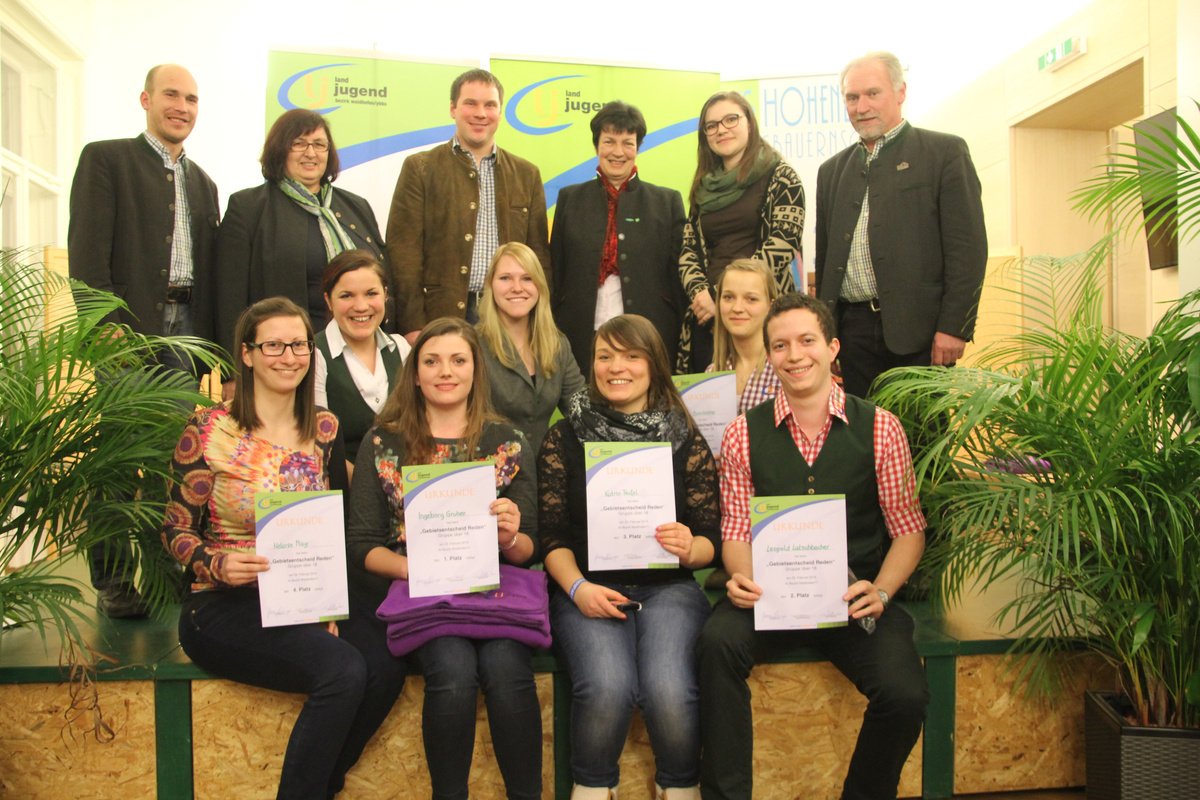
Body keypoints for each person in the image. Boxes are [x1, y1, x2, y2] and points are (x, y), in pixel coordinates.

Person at [163, 297, 404, 800]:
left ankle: (320, 787)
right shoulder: (208, 430)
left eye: (298, 345)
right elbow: (175, 530)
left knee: (386, 664)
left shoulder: (324, 428)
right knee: (342, 670)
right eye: (273, 345)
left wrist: (325, 604)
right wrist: (217, 563)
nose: (289, 357)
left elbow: (331, 522)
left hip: (306, 595)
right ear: (247, 353)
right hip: (223, 602)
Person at [697, 293, 929, 800]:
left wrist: (882, 592)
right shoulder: (741, 434)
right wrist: (742, 577)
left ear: (832, 347)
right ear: (770, 356)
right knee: (715, 645)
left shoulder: (881, 427)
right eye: (780, 345)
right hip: (770, 599)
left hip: (853, 598)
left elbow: (908, 528)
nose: (794, 355)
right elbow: (735, 530)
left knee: (905, 694)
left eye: (807, 341)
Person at [347, 317, 542, 800]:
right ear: (414, 374)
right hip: (421, 597)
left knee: (507, 671)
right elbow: (362, 545)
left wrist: (509, 536)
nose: (445, 371)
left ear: (476, 370)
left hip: (493, 593)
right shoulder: (382, 442)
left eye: (458, 360)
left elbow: (529, 548)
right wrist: (417, 570)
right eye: (431, 361)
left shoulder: (509, 441)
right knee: (453, 673)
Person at [539, 314, 719, 800]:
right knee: (607, 686)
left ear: (653, 364)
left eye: (631, 356)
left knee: (669, 689)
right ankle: (593, 785)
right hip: (586, 589)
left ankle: (678, 785)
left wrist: (690, 548)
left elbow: (710, 539)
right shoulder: (564, 437)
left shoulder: (683, 435)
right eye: (605, 356)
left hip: (669, 589)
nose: (616, 367)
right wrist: (578, 589)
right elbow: (551, 536)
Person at [68, 63, 220, 617]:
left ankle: (161, 575)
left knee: (169, 460)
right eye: (171, 95)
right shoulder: (106, 160)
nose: (182, 107)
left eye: (192, 99)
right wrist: (102, 325)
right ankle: (112, 579)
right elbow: (87, 252)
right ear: (146, 99)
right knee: (118, 457)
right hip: (125, 329)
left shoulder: (204, 183)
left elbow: (210, 270)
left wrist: (212, 350)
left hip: (185, 332)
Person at [814, 51, 987, 399]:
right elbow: (825, 258)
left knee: (922, 430)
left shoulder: (944, 153)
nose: (861, 106)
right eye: (852, 97)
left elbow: (967, 250)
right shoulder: (831, 172)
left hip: (922, 334)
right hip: (852, 335)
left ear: (900, 92)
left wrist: (955, 327)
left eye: (872, 93)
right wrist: (825, 333)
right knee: (862, 430)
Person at [386, 68, 550, 338]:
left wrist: (538, 322)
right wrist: (413, 325)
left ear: (500, 112)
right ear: (453, 108)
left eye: (490, 105)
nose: (481, 113)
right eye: (470, 103)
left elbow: (538, 258)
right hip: (439, 315)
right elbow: (403, 253)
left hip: (509, 316)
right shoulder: (421, 168)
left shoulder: (526, 174)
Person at [217, 108, 387, 359]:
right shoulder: (248, 208)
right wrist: (231, 366)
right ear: (279, 150)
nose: (310, 153)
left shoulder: (357, 206)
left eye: (319, 144)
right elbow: (229, 298)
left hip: (359, 351)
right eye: (298, 143)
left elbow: (383, 277)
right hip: (285, 354)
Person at [550, 101, 687, 374]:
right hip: (579, 334)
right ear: (596, 146)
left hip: (648, 334)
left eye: (628, 143)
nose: (618, 152)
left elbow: (676, 278)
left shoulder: (666, 202)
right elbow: (557, 271)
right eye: (609, 141)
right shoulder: (569, 199)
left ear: (638, 148)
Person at [678, 91, 804, 374]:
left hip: (762, 314)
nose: (721, 130)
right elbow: (688, 253)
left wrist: (723, 295)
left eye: (730, 119)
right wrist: (702, 295)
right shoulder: (703, 186)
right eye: (711, 125)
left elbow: (784, 242)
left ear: (749, 122)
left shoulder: (781, 177)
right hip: (708, 318)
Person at [478, 241, 585, 454]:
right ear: (490, 286)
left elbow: (581, 410)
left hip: (544, 465)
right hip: (487, 467)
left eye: (527, 278)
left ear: (539, 286)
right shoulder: (472, 344)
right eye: (505, 278)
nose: (517, 287)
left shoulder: (557, 343)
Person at [314, 249, 412, 478]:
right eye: (346, 296)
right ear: (328, 301)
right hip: (345, 488)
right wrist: (369, 487)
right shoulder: (315, 354)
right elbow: (319, 444)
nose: (360, 306)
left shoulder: (401, 348)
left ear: (385, 294)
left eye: (371, 293)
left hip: (408, 485)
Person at [706, 258, 781, 415]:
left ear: (771, 306)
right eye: (728, 297)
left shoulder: (784, 369)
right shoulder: (711, 374)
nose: (737, 308)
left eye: (751, 299)